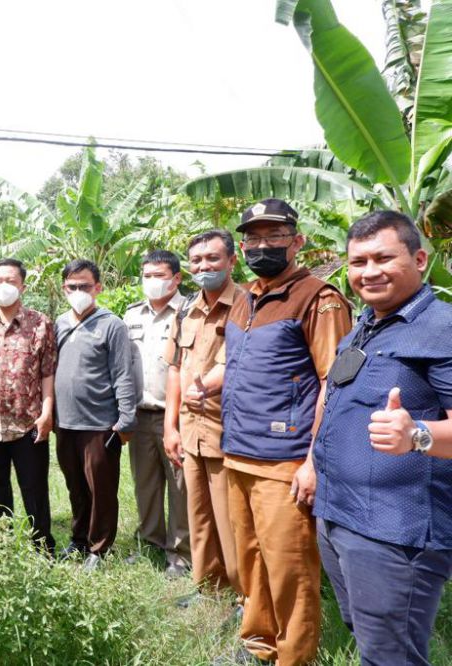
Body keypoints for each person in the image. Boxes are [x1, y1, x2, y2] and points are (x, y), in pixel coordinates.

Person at [312, 211, 452, 666]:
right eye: (358, 262)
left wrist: (417, 434)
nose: (369, 271)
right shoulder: (365, 325)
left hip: (394, 531)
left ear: (419, 259)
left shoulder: (443, 328)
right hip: (337, 515)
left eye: (383, 258)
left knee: (391, 656)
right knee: (368, 637)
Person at [219, 199, 352, 666]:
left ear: (297, 241)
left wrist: (314, 462)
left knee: (289, 568)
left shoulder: (318, 298)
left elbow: (335, 384)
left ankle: (294, 656)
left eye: (274, 236)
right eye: (253, 238)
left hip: (286, 459)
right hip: (238, 452)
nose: (262, 246)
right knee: (251, 561)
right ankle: (259, 644)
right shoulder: (244, 298)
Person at [163, 230, 244, 599]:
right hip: (191, 429)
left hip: (229, 430)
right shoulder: (185, 310)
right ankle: (208, 585)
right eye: (196, 260)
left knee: (233, 520)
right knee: (198, 514)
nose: (203, 266)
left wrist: (205, 388)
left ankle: (244, 594)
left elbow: (237, 362)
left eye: (212, 258)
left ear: (231, 261)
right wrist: (170, 427)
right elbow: (175, 368)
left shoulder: (246, 304)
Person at [0, 257, 57, 552]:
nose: (4, 286)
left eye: (10, 281)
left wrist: (47, 413)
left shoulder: (40, 324)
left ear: (22, 286)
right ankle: (2, 549)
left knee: (34, 487)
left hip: (29, 422)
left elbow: (47, 372)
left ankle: (42, 547)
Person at [54, 259, 138, 570]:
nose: (78, 292)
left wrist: (126, 419)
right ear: (64, 289)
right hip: (65, 423)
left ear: (98, 288)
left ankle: (99, 548)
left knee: (101, 489)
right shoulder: (59, 323)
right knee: (75, 487)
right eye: (72, 286)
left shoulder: (112, 325)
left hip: (99, 423)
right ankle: (78, 539)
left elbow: (122, 374)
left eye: (85, 286)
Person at [123, 249, 191, 577]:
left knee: (180, 488)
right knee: (145, 486)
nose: (152, 281)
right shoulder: (132, 315)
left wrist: (174, 423)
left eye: (159, 276)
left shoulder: (190, 311)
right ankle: (149, 543)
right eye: (147, 276)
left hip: (176, 417)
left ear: (176, 278)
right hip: (140, 414)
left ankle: (180, 554)